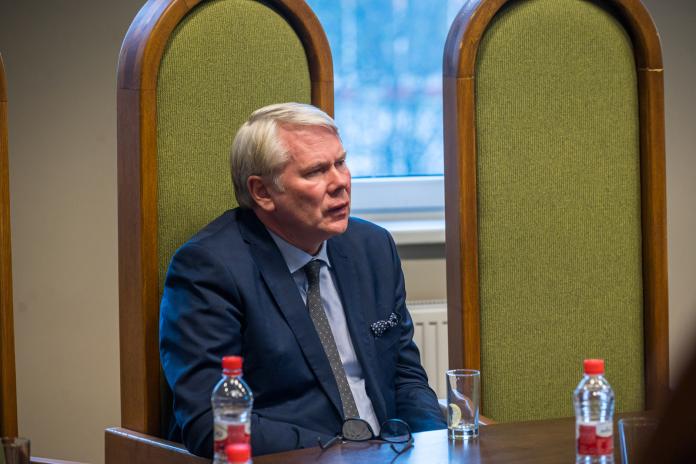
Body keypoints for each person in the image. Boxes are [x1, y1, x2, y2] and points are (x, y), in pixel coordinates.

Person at [159, 102, 446, 457]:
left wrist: (439, 446)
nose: (340, 182)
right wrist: (345, 453)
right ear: (263, 192)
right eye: (316, 171)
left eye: (341, 163)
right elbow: (211, 422)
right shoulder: (210, 269)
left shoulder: (372, 247)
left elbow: (405, 377)